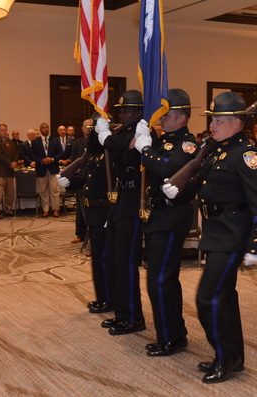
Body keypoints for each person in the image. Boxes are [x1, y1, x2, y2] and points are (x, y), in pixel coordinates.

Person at [162, 91, 257, 383]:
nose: (213, 125)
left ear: (237, 122)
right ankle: (232, 357)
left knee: (207, 298)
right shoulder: (216, 150)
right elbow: (197, 183)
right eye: (212, 119)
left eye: (219, 120)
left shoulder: (246, 155)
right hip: (214, 233)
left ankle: (225, 357)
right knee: (224, 297)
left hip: (233, 236)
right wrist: (177, 191)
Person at [132, 89, 198, 357]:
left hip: (172, 217)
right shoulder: (164, 140)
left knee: (161, 279)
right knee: (159, 278)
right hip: (158, 216)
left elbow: (170, 169)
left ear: (181, 117)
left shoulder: (187, 144)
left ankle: (171, 337)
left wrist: (146, 149)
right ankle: (172, 333)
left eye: (166, 115)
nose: (161, 120)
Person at [96, 90, 146, 336]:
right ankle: (122, 313)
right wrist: (104, 133)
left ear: (138, 113)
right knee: (115, 261)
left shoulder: (143, 133)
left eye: (126, 111)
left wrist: (105, 136)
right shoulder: (122, 133)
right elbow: (109, 144)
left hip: (133, 202)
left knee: (126, 263)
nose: (121, 114)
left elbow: (117, 144)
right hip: (119, 202)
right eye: (119, 110)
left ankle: (134, 317)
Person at [58, 113, 113, 314]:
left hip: (106, 211)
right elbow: (84, 177)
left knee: (106, 259)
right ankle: (102, 297)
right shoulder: (93, 154)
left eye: (95, 129)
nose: (91, 132)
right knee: (98, 259)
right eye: (90, 129)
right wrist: (70, 181)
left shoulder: (110, 154)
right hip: (93, 212)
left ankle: (109, 298)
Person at [31, 123, 63, 217]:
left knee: (54, 190)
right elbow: (32, 155)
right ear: (40, 130)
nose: (46, 129)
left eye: (47, 128)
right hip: (41, 168)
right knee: (43, 191)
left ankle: (55, 209)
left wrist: (52, 159)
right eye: (43, 128)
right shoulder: (35, 142)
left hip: (53, 168)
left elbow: (60, 153)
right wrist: (41, 160)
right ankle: (45, 209)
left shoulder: (55, 140)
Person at [0, 124, 21, 219]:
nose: (4, 132)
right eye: (2, 130)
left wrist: (15, 161)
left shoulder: (10, 142)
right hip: (0, 172)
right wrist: (10, 163)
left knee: (10, 193)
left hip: (10, 172)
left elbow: (16, 152)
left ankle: (8, 209)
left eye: (5, 130)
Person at [69, 119, 91, 244]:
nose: (88, 129)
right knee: (80, 208)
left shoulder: (97, 142)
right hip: (81, 178)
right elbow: (73, 160)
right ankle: (81, 233)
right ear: (82, 129)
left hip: (92, 178)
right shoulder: (77, 143)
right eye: (85, 127)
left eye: (90, 126)